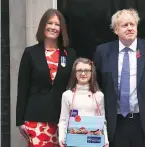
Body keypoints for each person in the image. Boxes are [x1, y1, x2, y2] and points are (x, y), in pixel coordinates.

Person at [93, 9, 145, 147]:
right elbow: (97, 82)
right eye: (124, 25)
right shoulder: (103, 52)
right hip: (115, 123)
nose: (129, 28)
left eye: (132, 24)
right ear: (115, 30)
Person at [16, 8, 76, 146]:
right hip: (36, 119)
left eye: (57, 24)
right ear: (43, 25)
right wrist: (20, 120)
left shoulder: (70, 54)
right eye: (50, 23)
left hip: (62, 119)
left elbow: (73, 86)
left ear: (62, 29)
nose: (53, 27)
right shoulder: (30, 53)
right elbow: (23, 87)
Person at [58, 58, 109, 147]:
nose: (83, 73)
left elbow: (102, 121)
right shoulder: (67, 95)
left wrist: (105, 140)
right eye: (79, 70)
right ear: (74, 73)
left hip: (93, 141)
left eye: (86, 70)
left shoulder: (99, 95)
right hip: (73, 142)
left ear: (91, 72)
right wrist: (61, 138)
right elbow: (63, 119)